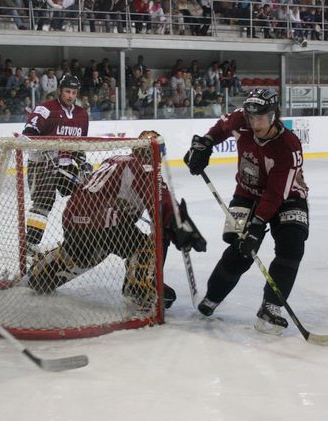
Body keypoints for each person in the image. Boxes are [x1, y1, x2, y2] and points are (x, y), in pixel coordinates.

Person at [27, 131, 206, 311]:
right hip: (103, 224)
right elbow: (161, 201)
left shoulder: (114, 160)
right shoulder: (145, 168)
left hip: (72, 219)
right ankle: (139, 290)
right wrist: (177, 223)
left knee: (83, 255)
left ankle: (40, 276)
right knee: (147, 245)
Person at [183, 88, 309, 336]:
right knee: (241, 249)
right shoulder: (241, 119)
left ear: (274, 115)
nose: (255, 124)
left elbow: (275, 193)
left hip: (287, 196)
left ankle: (271, 306)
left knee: (292, 245)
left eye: (261, 117)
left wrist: (257, 225)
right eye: (252, 117)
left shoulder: (288, 146)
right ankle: (213, 296)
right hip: (248, 192)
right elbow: (221, 128)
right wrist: (205, 143)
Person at [21, 74, 90, 256]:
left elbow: (78, 145)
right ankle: (30, 245)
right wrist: (42, 149)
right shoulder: (45, 109)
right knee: (44, 202)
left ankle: (79, 239)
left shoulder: (82, 115)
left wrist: (82, 162)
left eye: (73, 92)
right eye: (67, 91)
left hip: (65, 166)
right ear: (60, 91)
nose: (70, 95)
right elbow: (28, 134)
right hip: (42, 165)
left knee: (85, 196)